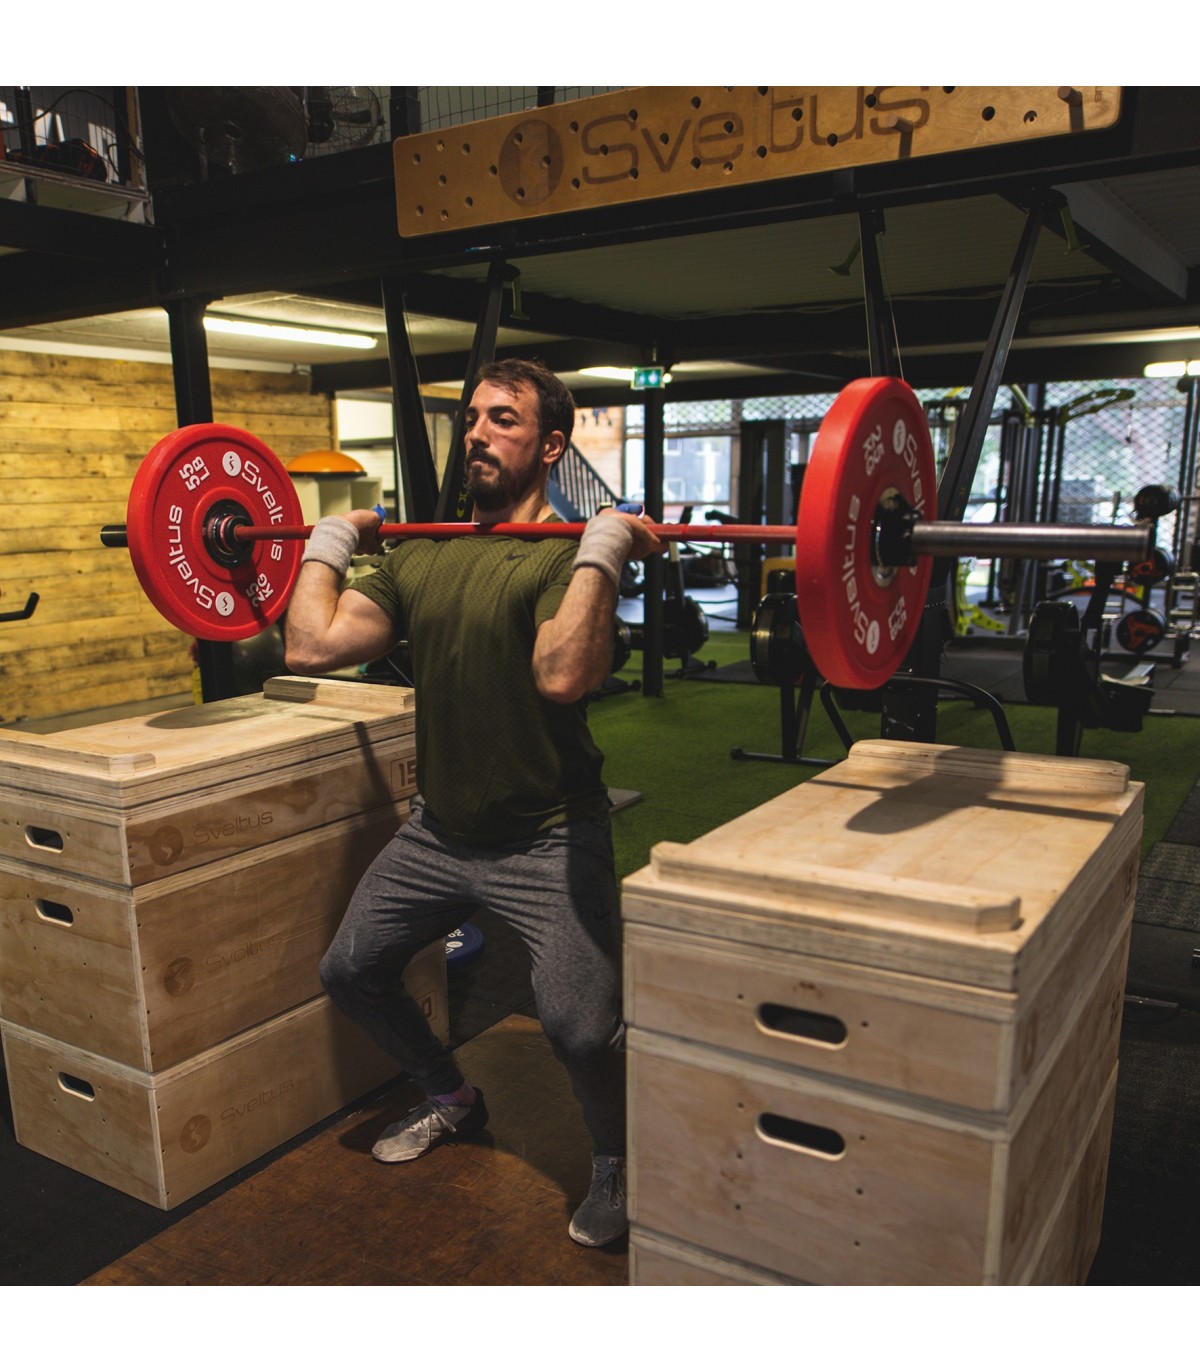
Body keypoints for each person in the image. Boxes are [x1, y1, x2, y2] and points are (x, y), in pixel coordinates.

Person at [283, 357, 664, 1247]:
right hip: (440, 833)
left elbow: (564, 672)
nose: (481, 434)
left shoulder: (563, 555)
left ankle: (613, 1160)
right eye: (473, 418)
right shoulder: (421, 552)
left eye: (504, 419)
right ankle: (452, 1097)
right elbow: (310, 644)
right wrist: (330, 542)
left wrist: (600, 549)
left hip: (549, 836)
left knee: (578, 1029)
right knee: (349, 970)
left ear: (551, 445)